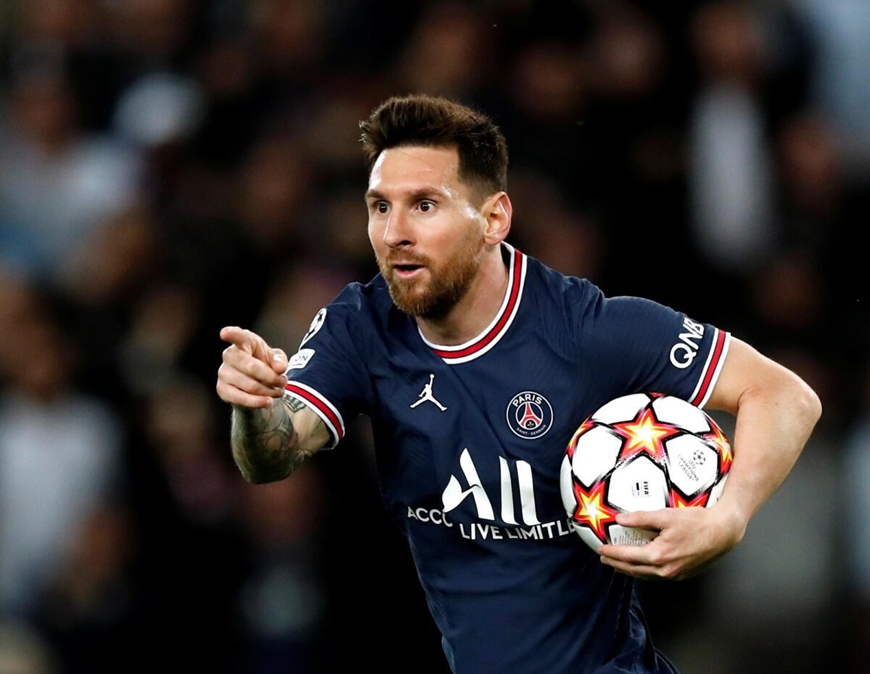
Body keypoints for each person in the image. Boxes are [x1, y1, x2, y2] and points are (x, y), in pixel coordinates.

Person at [216, 94, 822, 674]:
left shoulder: (586, 330)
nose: (395, 231)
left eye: (424, 205)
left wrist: (730, 516)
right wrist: (254, 405)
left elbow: (785, 396)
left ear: (494, 219)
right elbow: (273, 455)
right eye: (380, 207)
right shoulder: (360, 327)